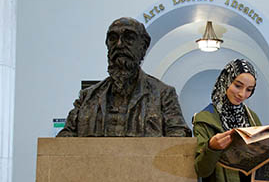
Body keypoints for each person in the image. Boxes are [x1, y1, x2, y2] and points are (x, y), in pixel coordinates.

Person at [57, 17, 191, 137]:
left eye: (129, 38)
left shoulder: (163, 95)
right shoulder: (87, 97)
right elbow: (64, 141)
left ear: (143, 47)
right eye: (113, 38)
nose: (119, 44)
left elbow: (178, 140)